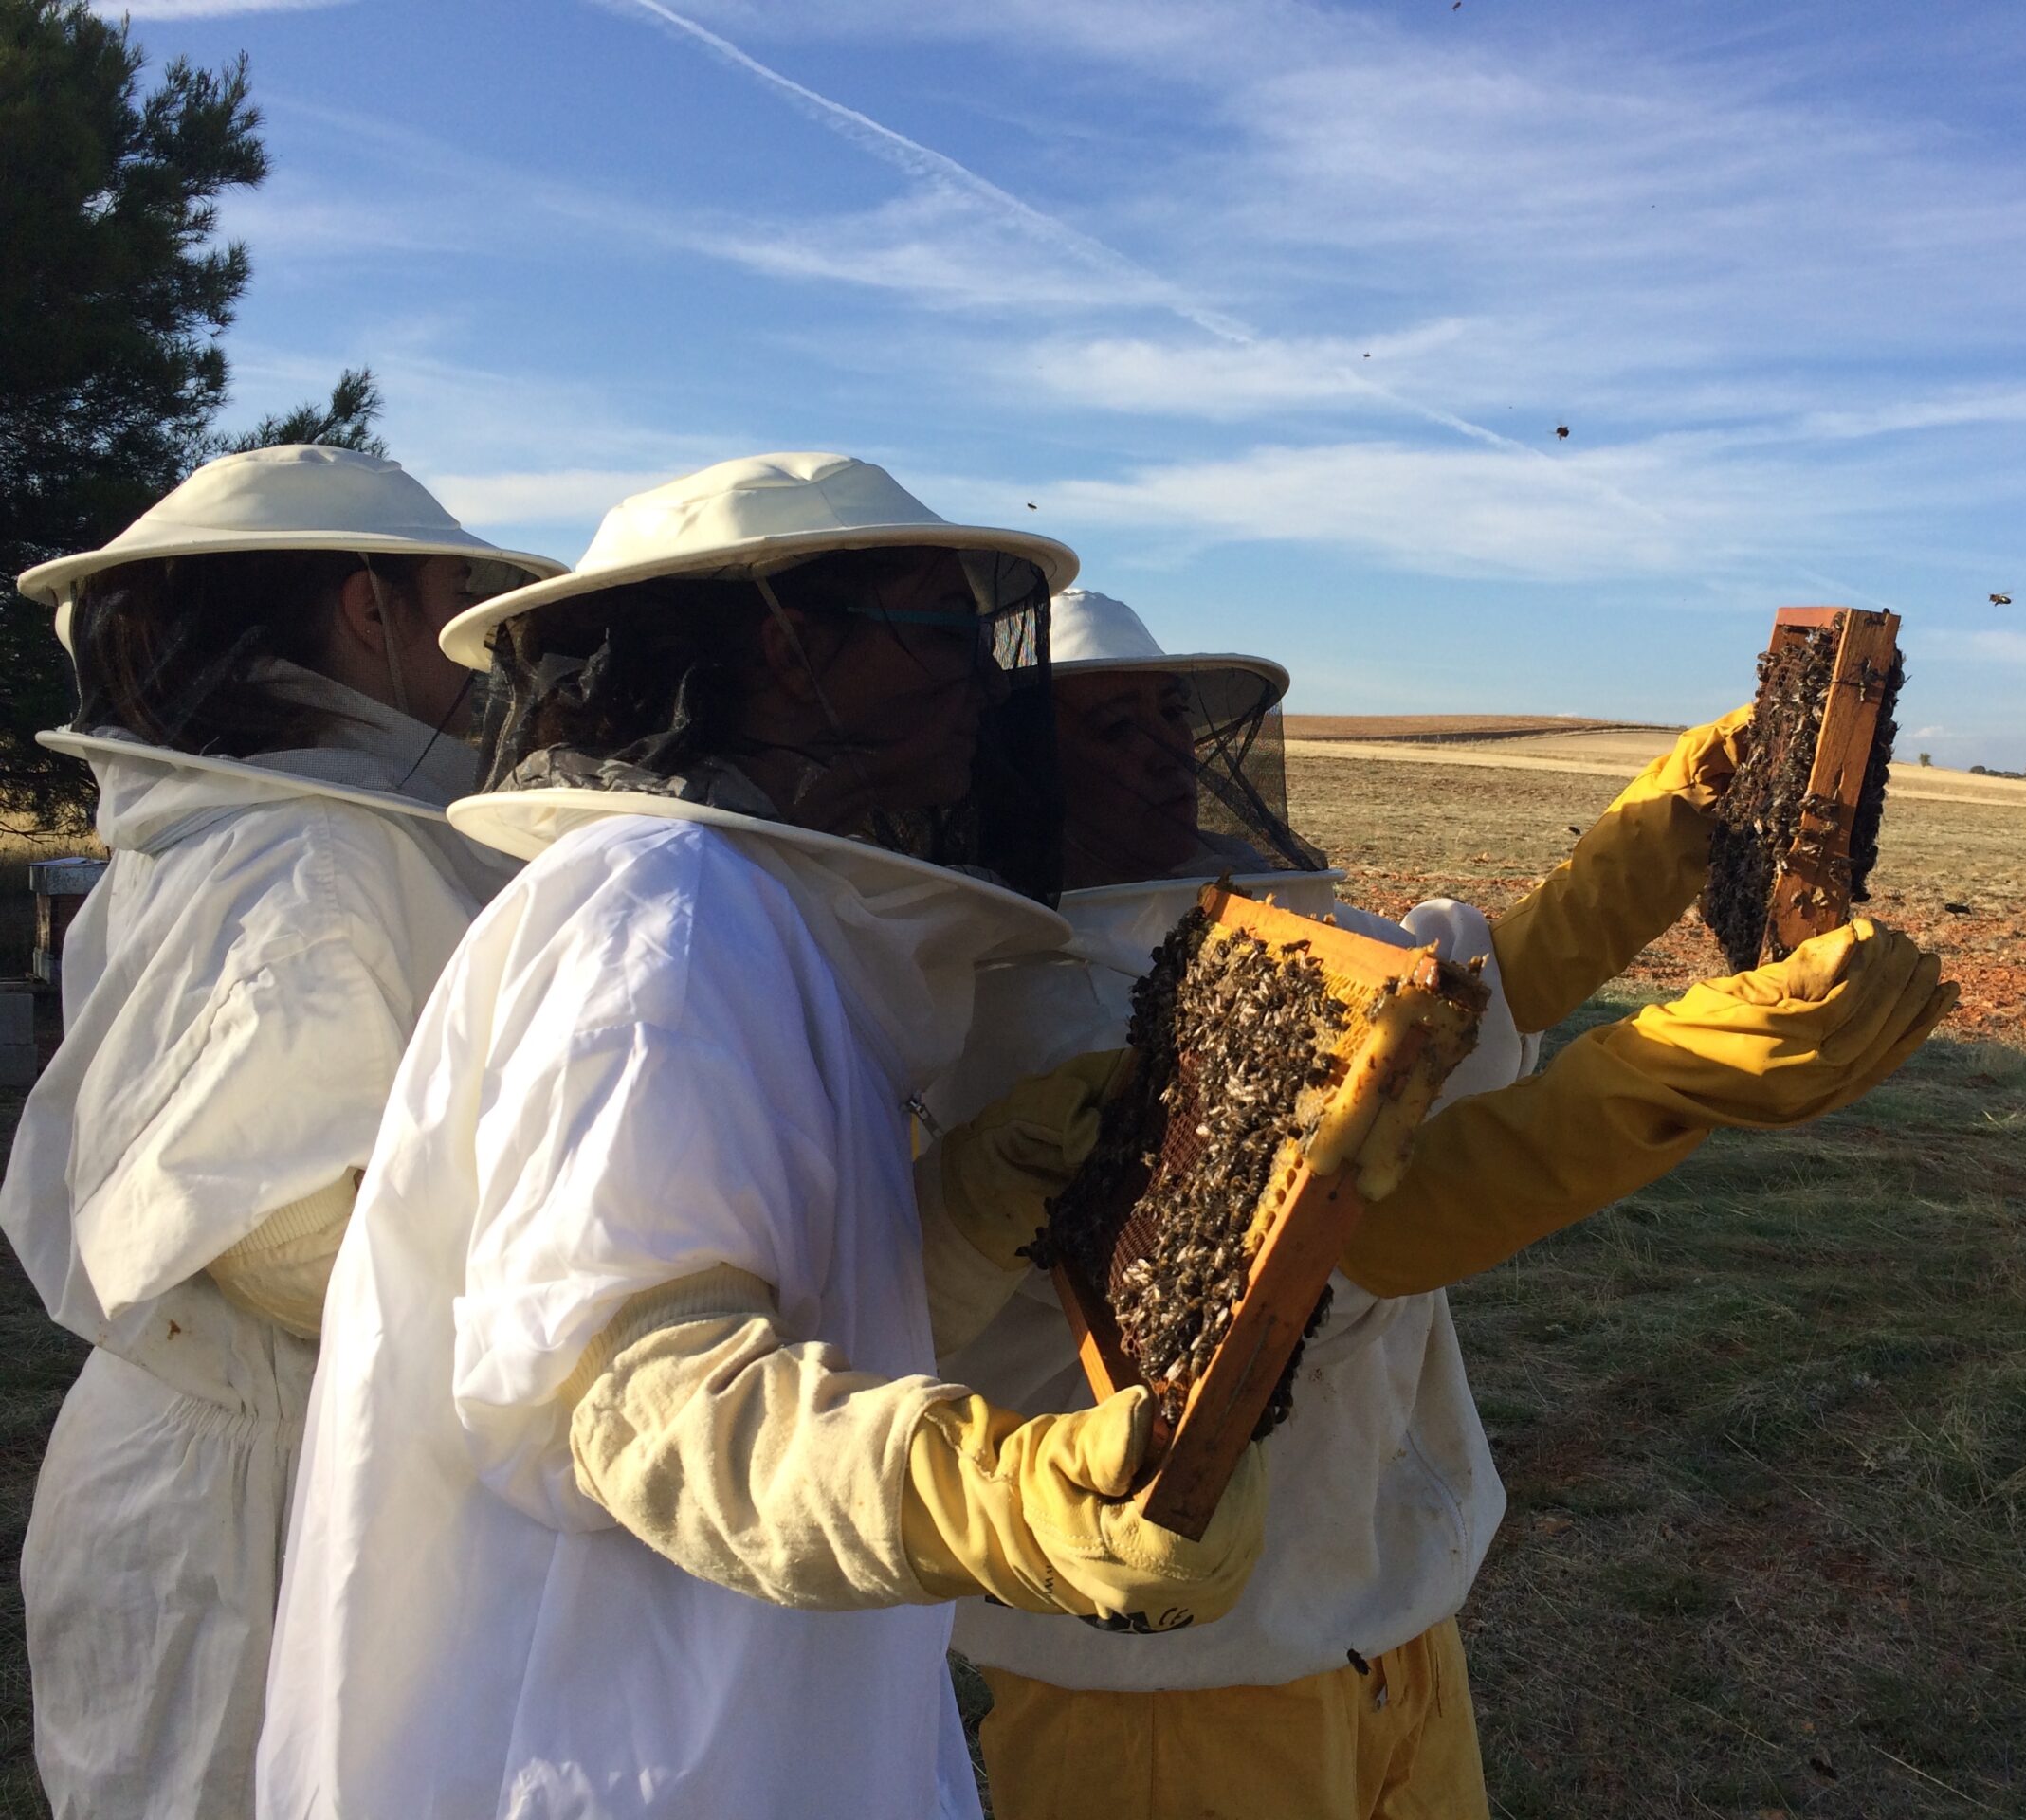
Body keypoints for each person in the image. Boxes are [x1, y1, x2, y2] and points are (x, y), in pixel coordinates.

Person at [256, 456, 1270, 1820]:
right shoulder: (660, 911)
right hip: (618, 1730)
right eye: (943, 636)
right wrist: (990, 1497)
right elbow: (632, 1394)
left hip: (747, 1689)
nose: (982, 685)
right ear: (793, 657)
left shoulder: (733, 904)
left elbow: (771, 1302)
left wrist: (962, 1211)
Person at [925, 590, 1955, 1820]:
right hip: (1167, 1691)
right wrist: (1668, 1075)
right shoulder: (1018, 1015)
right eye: (1111, 732)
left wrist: (1665, 828)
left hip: (1384, 1614)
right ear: (1017, 774)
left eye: (1167, 719)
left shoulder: (1253, 923)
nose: (1161, 754)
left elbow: (1481, 1005)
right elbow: (1341, 1243)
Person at [0, 445, 562, 1820]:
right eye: (447, 598)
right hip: (249, 1496)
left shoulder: (237, 826)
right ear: (370, 611)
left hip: (225, 1457)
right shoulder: (313, 853)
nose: (468, 653)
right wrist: (578, 1320)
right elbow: (267, 1224)